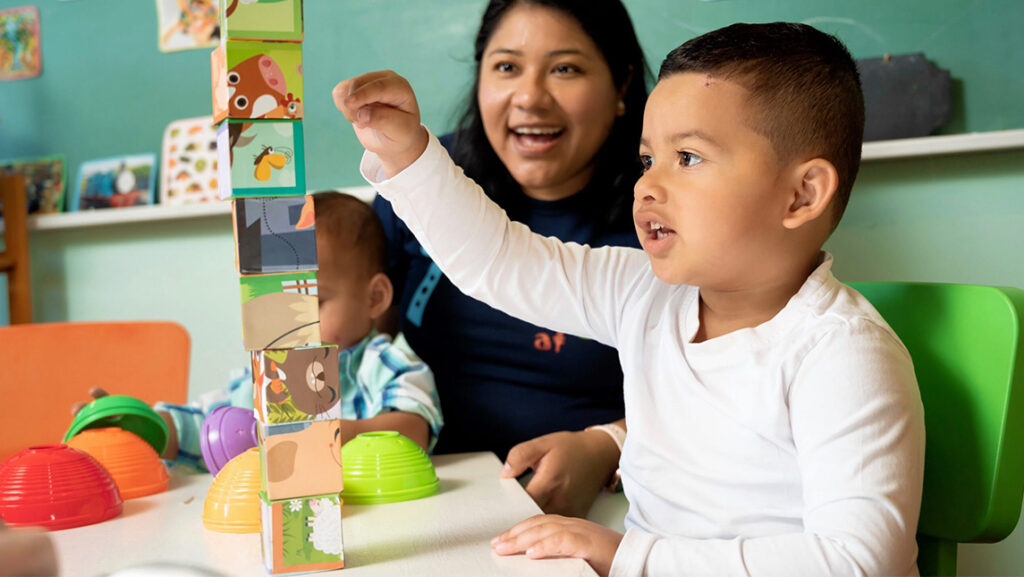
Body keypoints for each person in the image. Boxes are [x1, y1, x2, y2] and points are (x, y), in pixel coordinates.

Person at [334, 21, 927, 577]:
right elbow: (499, 261)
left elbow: (857, 561)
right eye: (648, 159)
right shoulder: (643, 291)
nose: (648, 184)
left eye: (688, 158)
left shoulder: (842, 353)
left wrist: (629, 556)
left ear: (801, 195)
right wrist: (408, 156)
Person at [371, 0, 649, 517]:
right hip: (417, 496)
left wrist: (610, 443)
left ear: (622, 85)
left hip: (608, 504)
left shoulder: (665, 206)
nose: (530, 97)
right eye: (506, 67)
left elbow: (736, 385)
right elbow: (346, 341)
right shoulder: (424, 181)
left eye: (565, 68)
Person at [73, 192, 444, 467]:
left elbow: (414, 429)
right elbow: (204, 429)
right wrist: (138, 426)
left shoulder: (389, 363)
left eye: (313, 303)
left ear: (375, 298)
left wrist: (331, 436)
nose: (293, 325)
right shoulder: (269, 377)